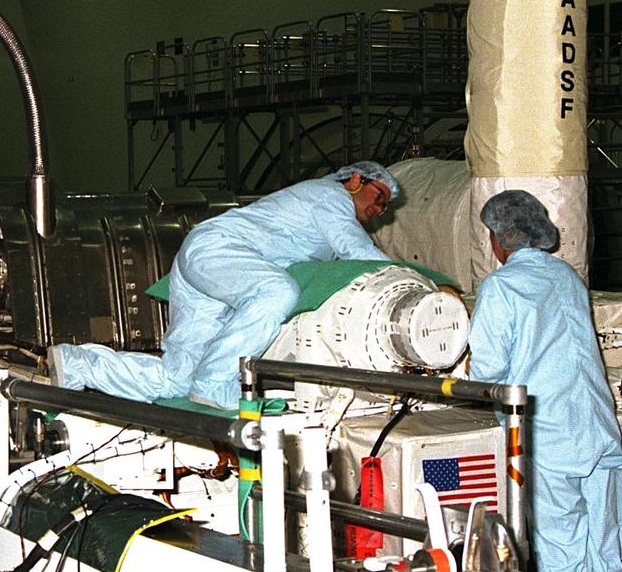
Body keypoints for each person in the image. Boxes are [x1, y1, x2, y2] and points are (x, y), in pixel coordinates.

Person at [49, 162, 399, 409]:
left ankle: (78, 364)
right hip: (219, 251)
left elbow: (348, 262)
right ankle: (217, 382)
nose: (380, 208)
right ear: (355, 180)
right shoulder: (332, 198)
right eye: (379, 196)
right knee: (277, 292)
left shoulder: (321, 211)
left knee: (178, 380)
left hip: (207, 264)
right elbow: (359, 251)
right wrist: (427, 281)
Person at [467, 190, 622, 572]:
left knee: (561, 537)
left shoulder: (500, 287)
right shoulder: (568, 278)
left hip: (548, 432)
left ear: (500, 238)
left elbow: (486, 371)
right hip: (598, 425)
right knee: (604, 533)